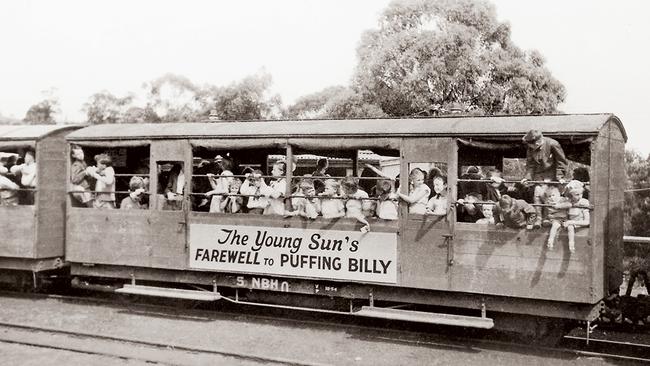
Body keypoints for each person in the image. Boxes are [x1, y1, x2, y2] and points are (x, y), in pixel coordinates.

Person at [522, 129, 568, 228]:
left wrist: (560, 177)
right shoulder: (530, 148)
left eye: (531, 146)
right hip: (539, 175)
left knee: (550, 196)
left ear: (538, 142)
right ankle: (538, 218)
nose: (530, 148)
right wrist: (527, 178)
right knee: (537, 194)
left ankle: (549, 218)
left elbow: (561, 162)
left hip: (552, 175)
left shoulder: (553, 144)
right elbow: (530, 164)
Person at [543, 185, 570, 250]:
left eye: (553, 195)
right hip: (556, 219)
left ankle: (571, 243)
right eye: (549, 196)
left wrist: (559, 206)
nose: (551, 197)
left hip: (565, 218)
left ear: (558, 194)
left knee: (569, 227)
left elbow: (569, 204)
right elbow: (548, 213)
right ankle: (550, 240)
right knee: (555, 226)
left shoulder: (562, 199)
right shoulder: (549, 203)